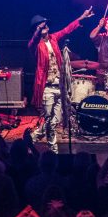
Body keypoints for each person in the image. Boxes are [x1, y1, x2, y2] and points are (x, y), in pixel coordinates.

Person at [28, 8, 94, 150]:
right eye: (41, 25)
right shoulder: (36, 45)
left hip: (59, 86)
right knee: (49, 120)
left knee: (55, 119)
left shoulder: (53, 38)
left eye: (45, 24)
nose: (45, 26)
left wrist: (82, 17)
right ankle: (53, 148)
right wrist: (38, 30)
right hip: (47, 87)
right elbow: (32, 42)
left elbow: (66, 30)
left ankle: (35, 135)